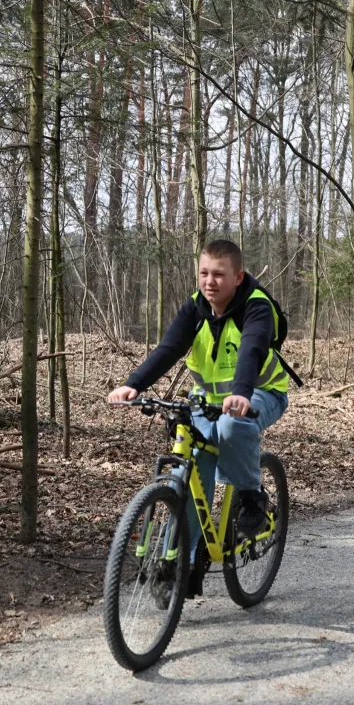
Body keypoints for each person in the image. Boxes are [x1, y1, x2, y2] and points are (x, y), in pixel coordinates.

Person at [107, 239, 295, 560]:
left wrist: (241, 392)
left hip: (260, 393)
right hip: (206, 398)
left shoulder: (256, 306)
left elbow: (251, 347)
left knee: (232, 425)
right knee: (194, 469)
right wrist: (134, 384)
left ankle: (252, 497)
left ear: (238, 277)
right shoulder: (195, 307)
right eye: (204, 273)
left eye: (219, 275)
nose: (210, 281)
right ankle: (183, 564)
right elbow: (169, 348)